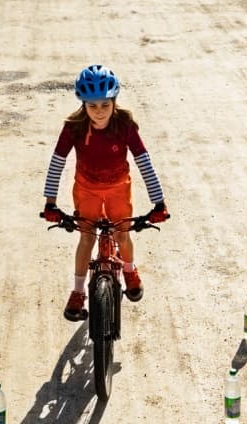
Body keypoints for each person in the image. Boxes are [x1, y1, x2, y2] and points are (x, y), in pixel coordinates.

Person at [41, 64, 169, 322]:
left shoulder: (125, 125)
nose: (98, 112)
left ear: (114, 102)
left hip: (118, 189)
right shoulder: (73, 127)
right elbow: (57, 161)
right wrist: (50, 203)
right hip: (86, 188)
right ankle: (77, 292)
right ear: (83, 105)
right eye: (92, 106)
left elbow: (144, 160)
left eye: (104, 105)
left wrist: (159, 202)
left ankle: (130, 270)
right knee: (86, 238)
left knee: (122, 234)